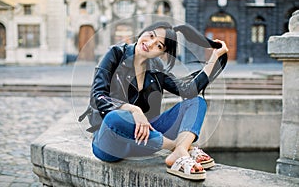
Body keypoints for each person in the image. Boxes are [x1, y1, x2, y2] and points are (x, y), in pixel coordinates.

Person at [90, 21, 228, 180]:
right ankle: (179, 148)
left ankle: (180, 150)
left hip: (143, 140)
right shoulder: (115, 54)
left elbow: (188, 90)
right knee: (115, 117)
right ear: (143, 32)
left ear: (163, 53)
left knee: (196, 102)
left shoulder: (156, 68)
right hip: (110, 142)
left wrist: (214, 58)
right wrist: (134, 110)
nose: (149, 44)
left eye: (159, 45)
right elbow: (98, 96)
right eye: (150, 36)